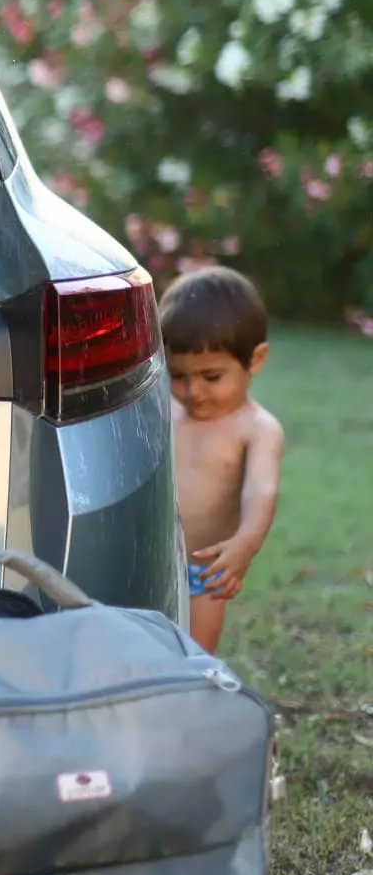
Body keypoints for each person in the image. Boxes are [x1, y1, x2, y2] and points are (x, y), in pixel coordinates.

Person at [160, 265, 285, 654]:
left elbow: (261, 491)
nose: (193, 391)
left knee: (194, 658)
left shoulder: (257, 429)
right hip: (147, 557)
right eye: (178, 375)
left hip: (205, 571)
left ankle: (189, 710)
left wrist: (246, 543)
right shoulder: (162, 407)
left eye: (211, 377)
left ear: (256, 360)